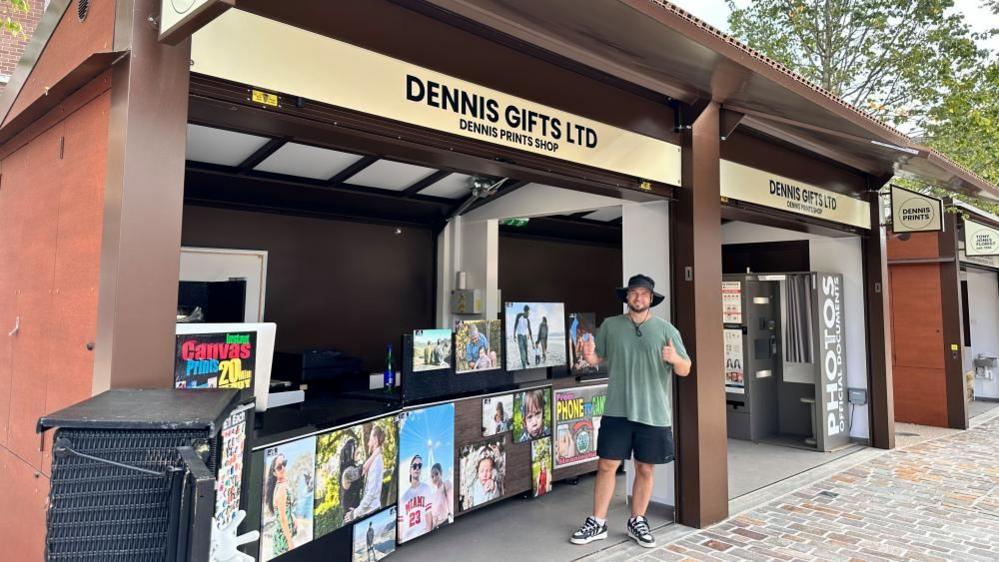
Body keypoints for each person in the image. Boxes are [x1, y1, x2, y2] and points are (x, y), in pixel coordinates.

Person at [570, 274, 691, 549]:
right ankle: (597, 522)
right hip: (617, 409)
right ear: (627, 297)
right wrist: (589, 357)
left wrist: (674, 359)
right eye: (634, 293)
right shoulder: (611, 326)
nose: (638, 298)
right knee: (606, 465)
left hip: (653, 412)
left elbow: (686, 369)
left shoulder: (666, 330)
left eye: (644, 294)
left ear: (651, 299)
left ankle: (637, 520)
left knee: (645, 468)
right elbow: (598, 357)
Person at [264, 453, 297, 556]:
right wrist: (290, 542)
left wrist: (293, 517)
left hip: (282, 536)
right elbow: (282, 519)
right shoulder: (282, 488)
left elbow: (285, 509)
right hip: (283, 539)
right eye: (279, 467)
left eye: (284, 463)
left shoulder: (280, 486)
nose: (283, 468)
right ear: (274, 473)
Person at [398, 455, 434, 541]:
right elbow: (400, 525)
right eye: (414, 466)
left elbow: (429, 514)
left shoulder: (426, 488)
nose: (417, 468)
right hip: (408, 539)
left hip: (423, 535)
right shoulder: (403, 498)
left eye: (419, 466)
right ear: (409, 470)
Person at [354, 425, 385, 520]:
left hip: (372, 511)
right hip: (369, 510)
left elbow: (371, 493)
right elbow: (363, 470)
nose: (368, 443)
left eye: (371, 437)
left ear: (375, 439)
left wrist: (355, 513)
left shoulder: (377, 462)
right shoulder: (375, 458)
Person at [429, 462, 453, 529]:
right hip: (435, 527)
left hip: (445, 523)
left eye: (436, 474)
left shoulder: (446, 484)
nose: (434, 478)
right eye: (432, 476)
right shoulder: (433, 494)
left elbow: (452, 502)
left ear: (441, 473)